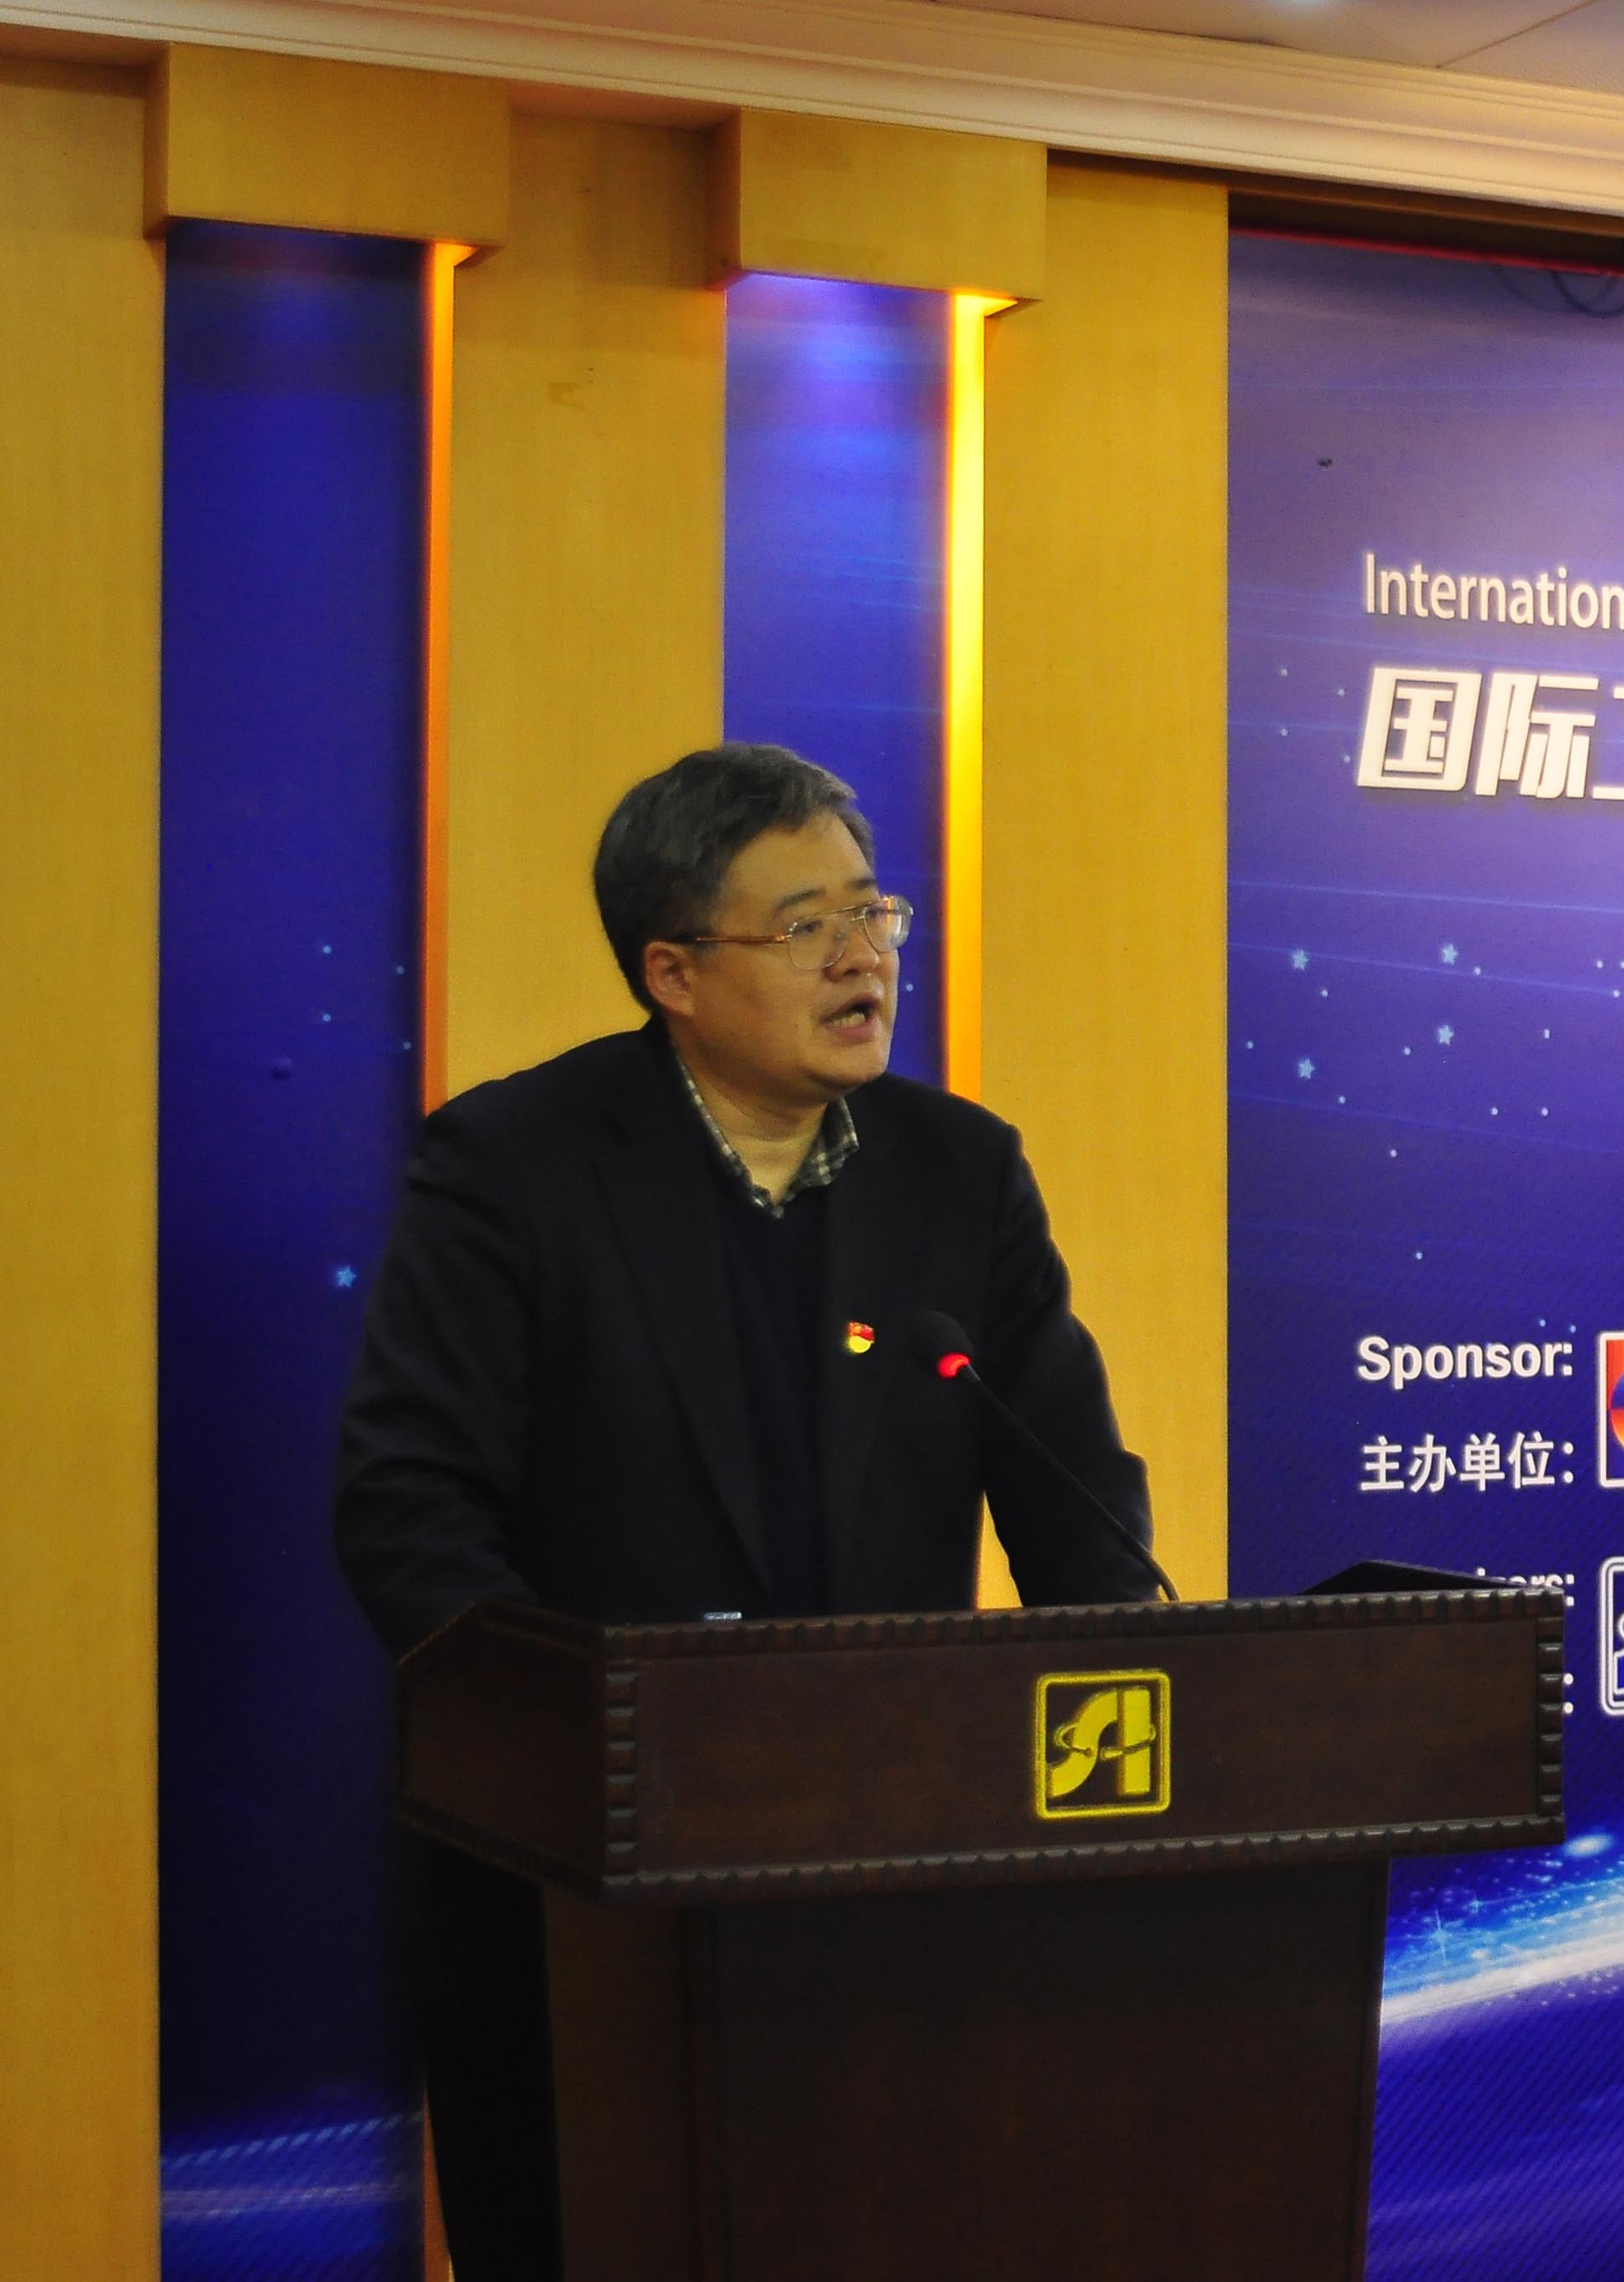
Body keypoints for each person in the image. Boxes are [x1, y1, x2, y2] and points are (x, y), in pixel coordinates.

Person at [334, 742, 1158, 2279]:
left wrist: (1143, 1700)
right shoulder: (513, 1165)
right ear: (674, 973)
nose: (862, 957)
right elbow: (405, 1507)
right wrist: (579, 1743)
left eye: (873, 912)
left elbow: (1074, 1497)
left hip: (893, 1870)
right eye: (804, 925)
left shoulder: (959, 1171)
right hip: (585, 1896)